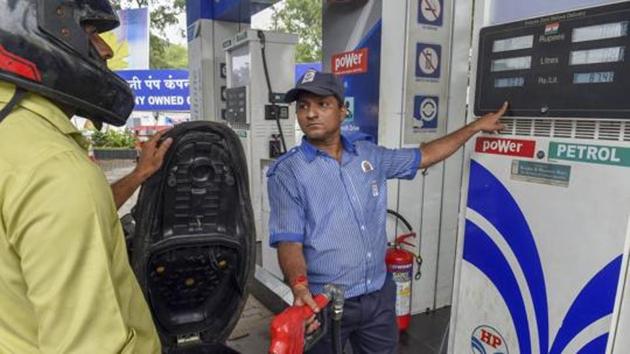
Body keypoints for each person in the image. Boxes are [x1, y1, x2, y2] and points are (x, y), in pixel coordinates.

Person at [267, 70, 507, 354]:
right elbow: (289, 241)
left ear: (343, 111)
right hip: (323, 302)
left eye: (322, 104)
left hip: (378, 297)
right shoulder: (288, 172)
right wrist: (299, 286)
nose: (311, 114)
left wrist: (475, 126)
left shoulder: (370, 156)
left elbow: (425, 155)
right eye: (303, 106)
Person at [0, 1, 165, 352]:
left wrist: (139, 174)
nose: (105, 50)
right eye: (90, 33)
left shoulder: (16, 142)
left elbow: (71, 213)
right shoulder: (54, 169)